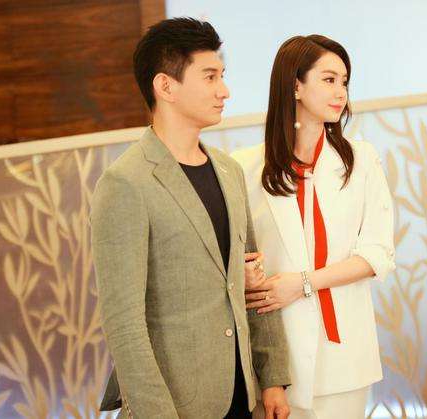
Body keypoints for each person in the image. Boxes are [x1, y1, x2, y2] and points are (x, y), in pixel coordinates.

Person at [90, 18, 291, 419]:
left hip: (243, 396)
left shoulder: (229, 171)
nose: (224, 90)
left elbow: (252, 279)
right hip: (177, 404)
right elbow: (124, 323)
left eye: (222, 76)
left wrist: (272, 378)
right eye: (210, 76)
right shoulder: (125, 182)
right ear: (165, 86)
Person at [232, 35, 395, 419]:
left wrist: (303, 283)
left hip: (345, 356)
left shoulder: (361, 160)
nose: (341, 92)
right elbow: (240, 257)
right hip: (276, 361)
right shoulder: (244, 167)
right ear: (295, 86)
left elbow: (377, 254)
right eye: (329, 79)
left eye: (344, 82)